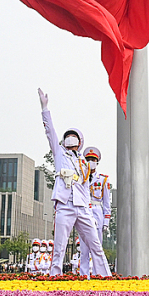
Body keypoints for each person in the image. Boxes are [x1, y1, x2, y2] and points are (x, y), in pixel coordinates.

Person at [38, 89, 107, 277]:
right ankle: (55, 275)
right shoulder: (60, 153)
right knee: (59, 246)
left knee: (95, 245)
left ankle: (105, 277)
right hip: (65, 205)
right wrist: (45, 109)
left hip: (82, 207)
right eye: (68, 136)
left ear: (80, 142)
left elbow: (85, 188)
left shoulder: (84, 162)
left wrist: (89, 209)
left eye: (74, 136)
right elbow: (49, 131)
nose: (70, 138)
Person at [83, 146, 112, 276]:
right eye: (88, 159)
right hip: (83, 210)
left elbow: (106, 202)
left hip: (97, 210)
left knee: (97, 245)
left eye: (93, 159)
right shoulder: (80, 177)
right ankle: (84, 274)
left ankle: (97, 274)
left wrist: (106, 221)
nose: (90, 161)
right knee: (83, 247)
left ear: (97, 162)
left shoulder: (103, 179)